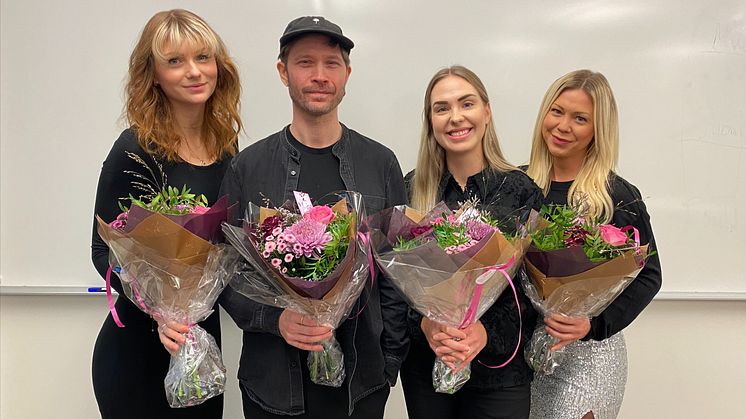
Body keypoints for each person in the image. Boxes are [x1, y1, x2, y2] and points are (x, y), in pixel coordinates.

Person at [217, 16, 409, 419]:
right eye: (305, 62)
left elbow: (399, 272)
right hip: (271, 385)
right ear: (283, 72)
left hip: (362, 385)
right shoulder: (247, 169)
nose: (319, 76)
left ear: (347, 74)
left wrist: (390, 362)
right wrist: (276, 318)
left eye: (331, 63)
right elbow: (226, 272)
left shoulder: (381, 163)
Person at [90, 9, 242, 419]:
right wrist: (161, 311)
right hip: (138, 350)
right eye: (175, 61)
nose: (194, 72)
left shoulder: (229, 149)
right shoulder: (134, 151)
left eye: (203, 58)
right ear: (153, 74)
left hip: (201, 344)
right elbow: (103, 251)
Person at [401, 65, 543, 419]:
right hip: (427, 371)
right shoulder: (411, 191)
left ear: (486, 111)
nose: (455, 117)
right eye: (442, 108)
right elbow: (391, 288)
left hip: (501, 375)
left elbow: (535, 292)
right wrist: (425, 324)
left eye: (467, 104)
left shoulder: (521, 191)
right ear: (430, 121)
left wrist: (485, 333)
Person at [525, 69, 662, 419]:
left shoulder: (616, 196)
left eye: (580, 118)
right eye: (557, 111)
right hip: (524, 356)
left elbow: (649, 276)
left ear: (598, 130)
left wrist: (594, 325)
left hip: (590, 356)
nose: (563, 126)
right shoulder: (517, 185)